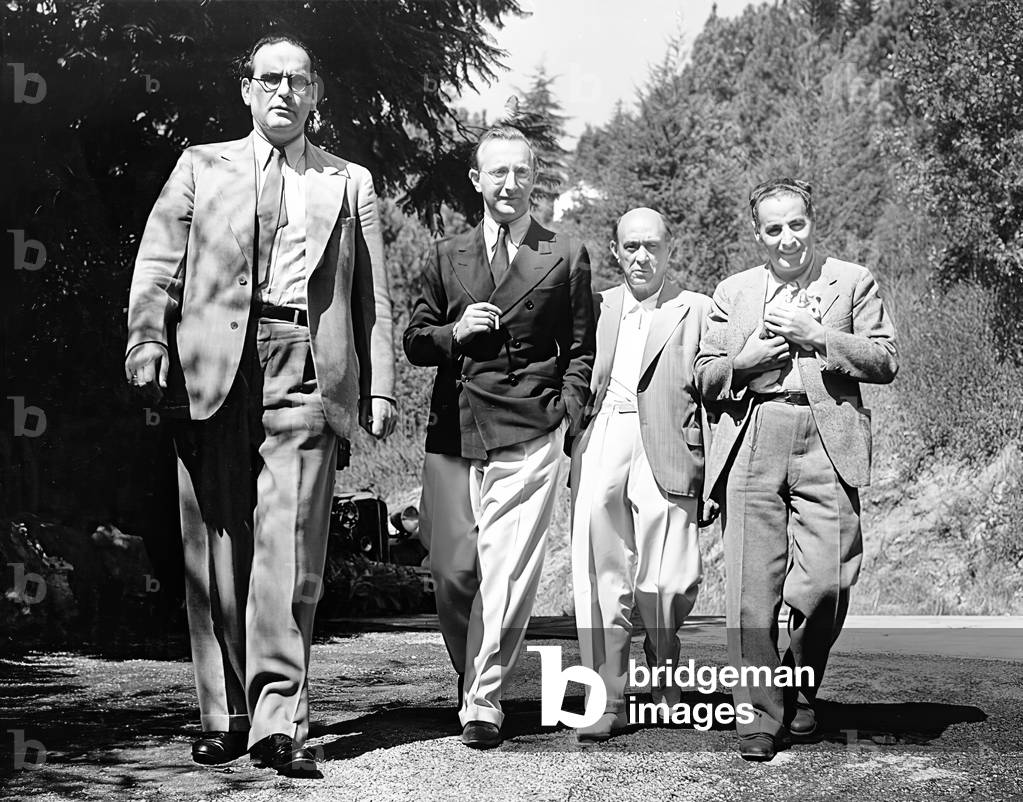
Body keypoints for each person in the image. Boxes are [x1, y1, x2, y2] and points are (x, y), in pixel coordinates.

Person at [124, 33, 396, 777]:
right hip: (212, 364)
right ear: (245, 88)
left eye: (298, 81)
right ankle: (226, 715)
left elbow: (374, 296)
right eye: (268, 79)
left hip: (307, 364)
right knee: (216, 550)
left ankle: (280, 723)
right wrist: (146, 341)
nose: (283, 92)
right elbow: (156, 266)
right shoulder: (198, 165)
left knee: (290, 549)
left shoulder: (349, 181)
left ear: (316, 94)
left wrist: (378, 385)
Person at [403, 126, 595, 749]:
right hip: (453, 430)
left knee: (507, 571)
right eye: (497, 173)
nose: (509, 185)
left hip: (528, 425)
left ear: (534, 179)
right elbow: (414, 340)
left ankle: (483, 701)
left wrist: (566, 407)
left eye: (521, 173)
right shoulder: (445, 254)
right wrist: (454, 333)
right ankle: (474, 680)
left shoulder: (565, 253)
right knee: (455, 572)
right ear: (476, 179)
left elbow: (582, 348)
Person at [695, 178, 897, 761]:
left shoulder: (852, 281)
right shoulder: (732, 292)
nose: (788, 239)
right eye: (774, 229)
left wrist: (822, 336)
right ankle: (759, 712)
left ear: (813, 221)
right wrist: (743, 362)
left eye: (797, 225)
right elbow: (705, 377)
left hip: (826, 435)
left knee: (828, 581)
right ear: (758, 234)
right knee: (751, 591)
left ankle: (797, 684)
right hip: (754, 432)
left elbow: (885, 359)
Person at [570, 207, 710, 742]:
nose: (641, 256)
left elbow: (714, 389)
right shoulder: (596, 306)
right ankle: (608, 695)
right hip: (603, 435)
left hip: (668, 444)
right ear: (615, 251)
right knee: (603, 574)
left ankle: (663, 653)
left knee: (668, 579)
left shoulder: (694, 308)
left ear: (669, 249)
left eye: (651, 245)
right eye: (631, 246)